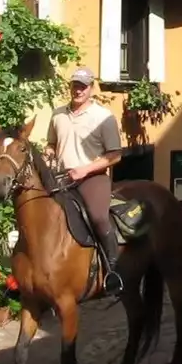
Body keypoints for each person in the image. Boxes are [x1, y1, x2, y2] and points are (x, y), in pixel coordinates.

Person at [47, 67, 126, 298]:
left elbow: (115, 155)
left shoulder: (103, 118)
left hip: (92, 178)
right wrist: (49, 154)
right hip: (61, 179)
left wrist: (85, 170)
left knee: (99, 217)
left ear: (91, 88)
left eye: (83, 86)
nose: (78, 90)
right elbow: (51, 144)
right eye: (75, 85)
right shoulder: (58, 114)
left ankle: (113, 271)